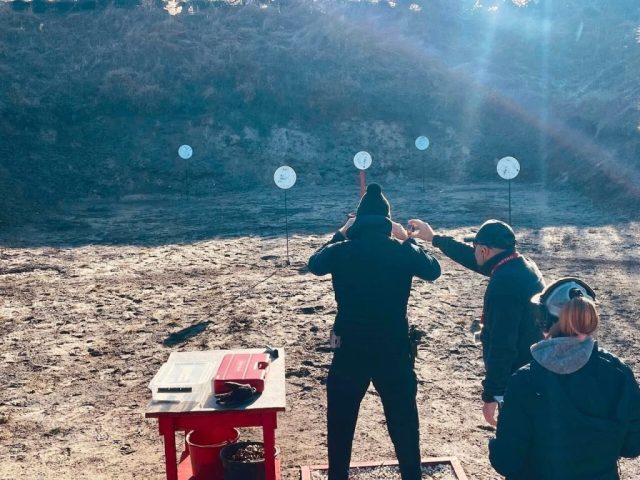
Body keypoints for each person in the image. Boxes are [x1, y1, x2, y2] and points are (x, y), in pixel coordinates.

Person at [308, 183, 441, 480]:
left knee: (340, 423)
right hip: (393, 349)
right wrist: (406, 239)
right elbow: (433, 270)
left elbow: (314, 264)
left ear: (358, 221)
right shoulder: (401, 251)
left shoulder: (341, 250)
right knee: (404, 424)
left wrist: (342, 231)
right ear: (386, 222)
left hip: (349, 348)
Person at [489, 277, 640, 479]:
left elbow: (506, 462)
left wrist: (495, 442)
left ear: (544, 320)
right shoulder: (619, 374)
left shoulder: (524, 380)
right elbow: (632, 446)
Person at [408, 218, 545, 426]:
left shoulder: (504, 285)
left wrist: (492, 395)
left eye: (475, 248)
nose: (473, 252)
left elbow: (502, 344)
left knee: (516, 436)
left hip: (517, 379)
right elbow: (475, 259)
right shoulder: (520, 265)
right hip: (534, 368)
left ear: (484, 250)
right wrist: (434, 238)